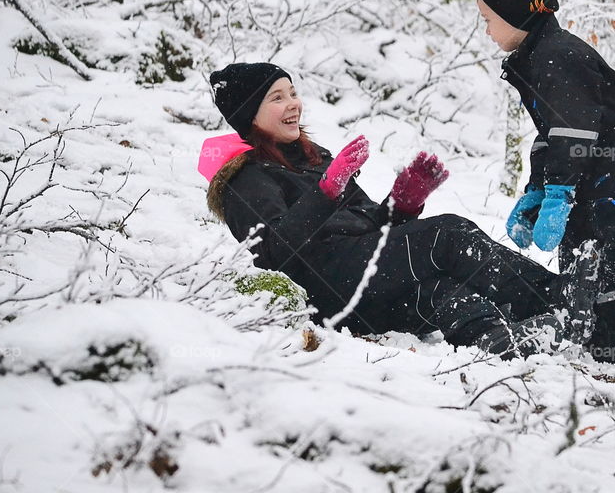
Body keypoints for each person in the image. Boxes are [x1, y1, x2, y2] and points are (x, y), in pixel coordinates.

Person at [200, 61, 584, 359]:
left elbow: (369, 228)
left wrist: (402, 203)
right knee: (449, 235)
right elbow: (271, 252)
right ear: (251, 114)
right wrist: (327, 190)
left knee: (436, 289)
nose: (293, 104)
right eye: (277, 97)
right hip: (326, 289)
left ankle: (494, 336)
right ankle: (559, 299)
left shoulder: (315, 159)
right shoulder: (245, 179)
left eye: (293, 92)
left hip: (362, 284)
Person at [475, 0, 615, 378]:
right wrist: (538, 188)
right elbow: (551, 136)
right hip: (590, 159)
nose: (486, 30)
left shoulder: (558, 57)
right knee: (582, 244)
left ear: (518, 14)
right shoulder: (536, 58)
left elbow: (571, 133)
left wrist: (559, 192)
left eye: (488, 20)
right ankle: (605, 331)